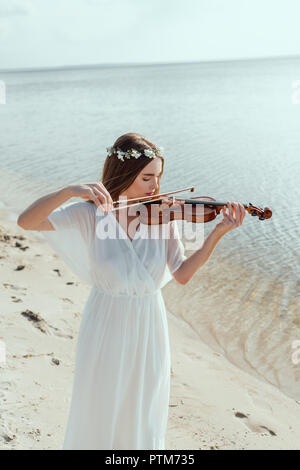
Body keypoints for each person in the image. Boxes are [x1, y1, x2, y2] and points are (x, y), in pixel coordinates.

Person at [17, 132, 246, 450]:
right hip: (106, 322)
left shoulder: (164, 216)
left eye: (159, 177)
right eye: (147, 177)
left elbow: (181, 274)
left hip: (148, 323)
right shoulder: (90, 215)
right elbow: (27, 221)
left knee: (142, 410)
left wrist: (216, 234)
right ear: (125, 174)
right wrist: (69, 190)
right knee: (100, 405)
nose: (155, 186)